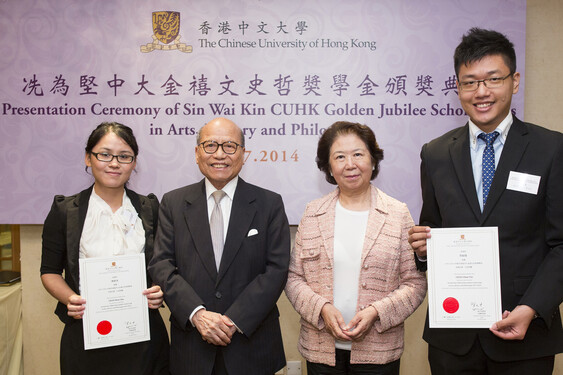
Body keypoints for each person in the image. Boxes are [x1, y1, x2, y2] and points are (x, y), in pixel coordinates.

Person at [408, 28, 563, 374]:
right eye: (469, 82)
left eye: (493, 79)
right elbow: (433, 230)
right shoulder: (435, 154)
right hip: (453, 337)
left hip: (525, 333)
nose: (481, 92)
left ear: (514, 81)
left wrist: (533, 308)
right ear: (458, 87)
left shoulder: (551, 149)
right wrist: (422, 250)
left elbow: (561, 243)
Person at [148, 117, 290, 375]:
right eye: (210, 145)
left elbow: (277, 269)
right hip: (192, 346)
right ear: (197, 152)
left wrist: (234, 320)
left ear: (244, 154)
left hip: (252, 343)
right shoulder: (173, 203)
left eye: (230, 146)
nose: (220, 155)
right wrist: (198, 314)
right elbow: (162, 264)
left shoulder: (269, 203)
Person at [285, 121, 427, 375]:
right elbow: (294, 278)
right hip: (321, 350)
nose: (350, 164)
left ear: (373, 161)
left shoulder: (397, 214)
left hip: (379, 352)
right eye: (339, 157)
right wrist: (322, 309)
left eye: (358, 154)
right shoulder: (313, 212)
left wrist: (376, 312)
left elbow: (415, 284)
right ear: (329, 167)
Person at [40, 122, 170, 375]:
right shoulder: (65, 211)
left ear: (134, 163)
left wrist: (160, 289)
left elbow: (166, 264)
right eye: (104, 154)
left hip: (142, 334)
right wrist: (70, 299)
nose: (114, 163)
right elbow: (49, 271)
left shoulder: (150, 209)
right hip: (86, 333)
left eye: (124, 156)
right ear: (88, 158)